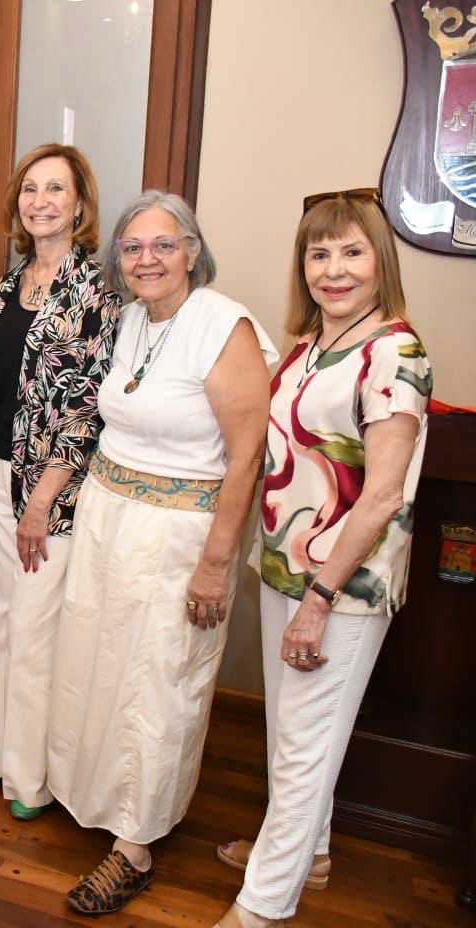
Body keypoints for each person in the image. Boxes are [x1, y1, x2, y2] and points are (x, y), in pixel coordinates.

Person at [45, 190, 277, 915]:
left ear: (193, 252)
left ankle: (136, 846)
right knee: (102, 667)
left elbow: (246, 457)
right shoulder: (135, 320)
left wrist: (216, 562)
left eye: (163, 244)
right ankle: (99, 800)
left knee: (161, 686)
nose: (147, 258)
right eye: (133, 246)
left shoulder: (223, 325)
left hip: (181, 537)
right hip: (111, 523)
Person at [211, 189, 432, 928]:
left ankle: (264, 906)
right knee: (293, 731)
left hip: (343, 586)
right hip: (284, 566)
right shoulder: (308, 347)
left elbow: (381, 496)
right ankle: (311, 852)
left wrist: (321, 598)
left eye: (351, 252)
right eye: (319, 252)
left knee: (306, 745)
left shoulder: (394, 352)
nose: (333, 270)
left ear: (381, 261)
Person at [0, 145, 121, 820]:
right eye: (30, 188)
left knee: (34, 631)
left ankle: (30, 778)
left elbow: (87, 407)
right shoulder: (9, 283)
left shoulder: (98, 290)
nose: (41, 201)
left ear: (80, 204)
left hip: (49, 490)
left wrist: (42, 501)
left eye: (56, 189)